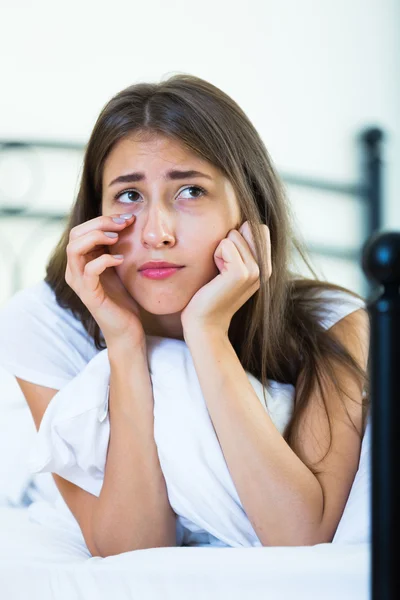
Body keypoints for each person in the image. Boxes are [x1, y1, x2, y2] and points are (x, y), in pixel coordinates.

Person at [0, 73, 370, 557]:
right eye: (129, 196)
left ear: (247, 207)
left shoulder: (332, 322)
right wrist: (127, 347)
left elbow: (299, 537)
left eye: (191, 191)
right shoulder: (43, 321)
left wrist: (208, 333)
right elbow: (130, 551)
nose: (157, 233)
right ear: (96, 216)